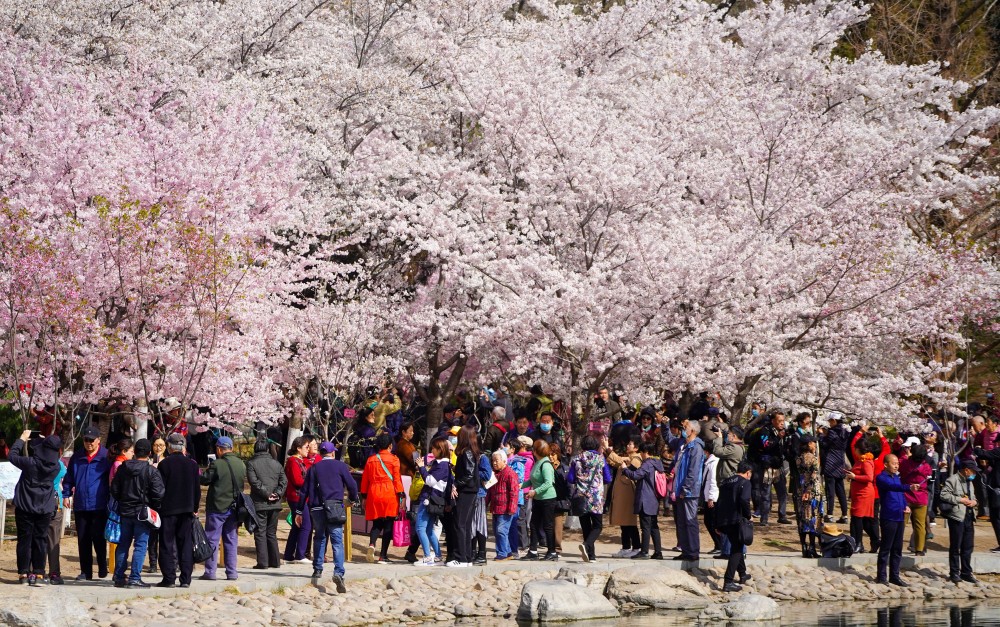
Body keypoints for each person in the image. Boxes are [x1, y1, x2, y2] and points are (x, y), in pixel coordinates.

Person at [301, 441, 358, 592]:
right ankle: (338, 572)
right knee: (337, 541)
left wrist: (299, 510)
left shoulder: (314, 468)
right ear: (333, 453)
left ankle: (317, 569)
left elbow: (304, 490)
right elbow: (352, 486)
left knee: (319, 536)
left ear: (320, 453)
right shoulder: (340, 466)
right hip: (335, 506)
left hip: (317, 508)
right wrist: (352, 499)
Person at [110, 438, 165, 588]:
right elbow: (159, 493)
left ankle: (119, 576)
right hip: (142, 512)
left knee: (123, 544)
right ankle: (134, 577)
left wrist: (123, 500)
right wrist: (152, 504)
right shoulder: (151, 471)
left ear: (134, 452)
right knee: (140, 545)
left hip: (125, 511)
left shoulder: (123, 468)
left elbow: (114, 489)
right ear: (149, 453)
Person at [10, 431, 61, 586]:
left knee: (24, 540)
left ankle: (24, 574)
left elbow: (12, 455)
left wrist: (21, 439)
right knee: (40, 540)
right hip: (44, 508)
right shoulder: (56, 468)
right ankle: (38, 573)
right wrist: (46, 442)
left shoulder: (30, 463)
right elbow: (47, 454)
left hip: (25, 506)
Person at [63, 424, 111, 581]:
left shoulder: (106, 456)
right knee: (83, 539)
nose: (89, 443)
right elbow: (69, 478)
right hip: (81, 504)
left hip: (99, 504)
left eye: (91, 440)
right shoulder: (77, 457)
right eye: (86, 440)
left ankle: (102, 565)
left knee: (98, 537)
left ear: (98, 440)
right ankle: (86, 571)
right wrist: (66, 494)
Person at [155, 433, 200, 588]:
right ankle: (186, 579)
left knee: (167, 544)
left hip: (168, 510)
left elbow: (159, 489)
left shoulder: (164, 465)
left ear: (169, 447)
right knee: (185, 544)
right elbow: (197, 489)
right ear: (184, 447)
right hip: (187, 510)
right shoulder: (193, 465)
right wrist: (194, 508)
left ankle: (169, 578)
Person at [199, 436, 246, 581]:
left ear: (219, 449)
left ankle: (210, 572)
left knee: (212, 539)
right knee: (231, 540)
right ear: (231, 448)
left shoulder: (217, 464)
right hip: (234, 508)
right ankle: (232, 572)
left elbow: (205, 480)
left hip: (217, 507)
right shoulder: (241, 464)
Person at [874, 453, 918, 586]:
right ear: (886, 464)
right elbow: (893, 487)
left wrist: (905, 505)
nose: (896, 466)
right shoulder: (881, 477)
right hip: (888, 516)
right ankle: (881, 576)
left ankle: (895, 576)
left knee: (897, 548)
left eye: (897, 464)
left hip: (899, 516)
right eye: (894, 464)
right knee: (886, 548)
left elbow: (900, 493)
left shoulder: (897, 478)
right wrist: (908, 487)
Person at [361, 433, 404, 564]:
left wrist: (364, 496)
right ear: (390, 445)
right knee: (388, 524)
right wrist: (401, 496)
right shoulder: (394, 459)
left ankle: (372, 544)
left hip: (374, 492)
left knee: (376, 523)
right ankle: (383, 556)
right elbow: (396, 479)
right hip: (389, 493)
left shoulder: (371, 459)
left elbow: (365, 480)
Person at [567, 435, 611, 562]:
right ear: (596, 446)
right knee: (597, 526)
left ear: (582, 446)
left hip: (581, 497)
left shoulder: (576, 459)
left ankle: (591, 555)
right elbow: (608, 478)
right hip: (596, 498)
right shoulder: (600, 459)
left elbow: (570, 479)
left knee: (586, 526)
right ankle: (587, 547)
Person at [246, 436, 287, 570]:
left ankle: (263, 562)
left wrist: (266, 494)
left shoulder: (251, 463)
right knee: (271, 532)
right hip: (275, 503)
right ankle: (275, 561)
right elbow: (283, 481)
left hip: (260, 503)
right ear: (268, 449)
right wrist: (277, 493)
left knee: (260, 532)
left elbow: (254, 482)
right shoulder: (276, 463)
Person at [940, 459, 980, 584]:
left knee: (968, 546)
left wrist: (974, 502)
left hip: (969, 517)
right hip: (957, 517)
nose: (974, 474)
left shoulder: (970, 482)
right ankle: (954, 573)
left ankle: (966, 572)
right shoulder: (953, 480)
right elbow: (943, 495)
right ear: (966, 470)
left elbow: (973, 497)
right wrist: (959, 500)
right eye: (973, 471)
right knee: (955, 546)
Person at [624, 442, 665, 559]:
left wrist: (625, 469)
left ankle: (644, 551)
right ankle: (658, 552)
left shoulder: (647, 464)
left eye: (641, 452)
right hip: (654, 500)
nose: (641, 455)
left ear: (645, 452)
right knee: (654, 526)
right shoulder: (657, 463)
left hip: (645, 499)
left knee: (645, 527)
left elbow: (636, 475)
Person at [716, 460, 753, 592]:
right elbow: (744, 500)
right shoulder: (745, 483)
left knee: (736, 544)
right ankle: (728, 581)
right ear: (748, 472)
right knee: (737, 549)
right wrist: (748, 515)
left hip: (723, 519)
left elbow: (719, 501)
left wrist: (717, 522)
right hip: (737, 519)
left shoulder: (726, 482)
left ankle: (742, 574)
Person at [414, 437, 452, 566]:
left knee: (420, 528)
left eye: (434, 448)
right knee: (429, 530)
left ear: (440, 449)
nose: (432, 451)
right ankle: (437, 556)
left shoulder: (442, 465)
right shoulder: (442, 464)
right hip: (434, 500)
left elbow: (430, 481)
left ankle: (427, 556)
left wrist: (421, 468)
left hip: (429, 500)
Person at [747, 413, 789, 526]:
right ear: (773, 421)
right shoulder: (764, 431)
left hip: (778, 466)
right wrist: (778, 438)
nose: (782, 422)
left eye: (783, 420)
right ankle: (764, 518)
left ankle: (782, 515)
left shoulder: (783, 432)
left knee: (782, 492)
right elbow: (766, 445)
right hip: (766, 466)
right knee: (765, 493)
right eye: (779, 420)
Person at [671, 421, 705, 561]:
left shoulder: (696, 447)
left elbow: (693, 471)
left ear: (693, 431)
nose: (684, 430)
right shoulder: (684, 446)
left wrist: (686, 488)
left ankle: (692, 551)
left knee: (690, 521)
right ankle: (685, 550)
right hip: (679, 489)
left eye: (686, 428)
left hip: (689, 491)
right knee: (681, 521)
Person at [521, 439, 558, 561]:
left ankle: (552, 552)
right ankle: (533, 551)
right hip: (538, 498)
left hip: (548, 499)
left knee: (548, 525)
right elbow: (532, 480)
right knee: (534, 524)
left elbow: (548, 483)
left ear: (536, 451)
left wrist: (535, 491)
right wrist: (520, 485)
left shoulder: (546, 464)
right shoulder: (538, 462)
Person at [449, 425, 480, 567]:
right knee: (466, 525)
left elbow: (468, 474)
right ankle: (467, 557)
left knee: (460, 524)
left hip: (466, 491)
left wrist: (456, 484)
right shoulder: (471, 452)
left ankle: (461, 557)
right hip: (471, 490)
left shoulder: (466, 452)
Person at [607, 435, 641, 557]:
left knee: (630, 522)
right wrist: (607, 451)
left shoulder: (637, 459)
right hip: (623, 495)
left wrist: (609, 450)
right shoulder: (628, 458)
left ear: (636, 448)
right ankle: (626, 547)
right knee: (623, 522)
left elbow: (623, 463)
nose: (628, 446)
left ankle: (636, 547)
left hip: (629, 495)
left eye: (630, 444)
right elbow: (616, 461)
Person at [283, 436, 313, 564]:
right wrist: (311, 483)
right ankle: (300, 554)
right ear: (298, 448)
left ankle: (289, 555)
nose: (308, 449)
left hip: (300, 497)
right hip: (296, 497)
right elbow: (297, 480)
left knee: (297, 526)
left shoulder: (299, 461)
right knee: (306, 525)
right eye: (306, 447)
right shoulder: (293, 461)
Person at [847, 436, 880, 553]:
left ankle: (859, 543)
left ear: (858, 449)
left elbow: (869, 477)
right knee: (861, 519)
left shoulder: (866, 461)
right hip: (858, 492)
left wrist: (855, 477)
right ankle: (874, 540)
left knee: (858, 518)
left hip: (864, 493)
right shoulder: (860, 460)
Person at [899, 443, 932, 556]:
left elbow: (901, 471)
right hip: (921, 498)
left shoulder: (905, 464)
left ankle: (896, 546)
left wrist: (906, 456)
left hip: (906, 496)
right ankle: (919, 549)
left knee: (901, 523)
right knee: (920, 525)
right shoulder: (926, 467)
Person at [487, 449, 519, 561]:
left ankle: (502, 553)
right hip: (496, 508)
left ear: (504, 461)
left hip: (505, 509)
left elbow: (514, 492)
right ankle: (508, 552)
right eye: (493, 461)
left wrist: (512, 508)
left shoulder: (510, 474)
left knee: (501, 531)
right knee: (498, 531)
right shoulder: (494, 474)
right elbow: (490, 491)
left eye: (497, 460)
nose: (494, 463)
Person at [819, 413, 850, 523]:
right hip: (840, 463)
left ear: (835, 421)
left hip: (830, 463)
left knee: (830, 490)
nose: (829, 423)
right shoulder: (845, 432)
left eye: (831, 421)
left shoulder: (832, 432)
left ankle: (830, 514)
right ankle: (845, 515)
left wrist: (821, 435)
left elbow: (824, 444)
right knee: (841, 490)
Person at [506, 435, 534, 557]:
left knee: (520, 519)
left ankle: (523, 544)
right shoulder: (515, 459)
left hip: (521, 492)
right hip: (519, 491)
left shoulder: (523, 461)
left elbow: (521, 478)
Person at [795, 436, 822, 558]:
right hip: (812, 491)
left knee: (802, 518)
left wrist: (804, 489)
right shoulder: (813, 458)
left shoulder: (799, 458)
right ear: (809, 444)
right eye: (813, 443)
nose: (815, 445)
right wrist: (809, 489)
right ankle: (812, 547)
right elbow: (813, 475)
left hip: (801, 490)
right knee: (813, 518)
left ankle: (803, 547)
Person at [45, 444, 67, 584]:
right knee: (53, 541)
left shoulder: (38, 462)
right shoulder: (59, 465)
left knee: (38, 539)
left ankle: (36, 571)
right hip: (55, 503)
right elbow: (65, 477)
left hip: (38, 504)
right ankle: (54, 573)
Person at [548, 442, 569, 555]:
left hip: (559, 500)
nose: (551, 456)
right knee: (547, 524)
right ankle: (549, 547)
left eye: (553, 454)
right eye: (549, 454)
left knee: (557, 525)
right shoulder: (545, 467)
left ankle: (557, 548)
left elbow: (568, 486)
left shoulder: (564, 468)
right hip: (547, 499)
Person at [703, 449, 721, 554]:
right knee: (708, 521)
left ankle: (719, 544)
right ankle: (718, 544)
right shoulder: (709, 462)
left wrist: (711, 497)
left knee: (712, 522)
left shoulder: (714, 462)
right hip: (708, 495)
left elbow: (714, 481)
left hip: (713, 497)